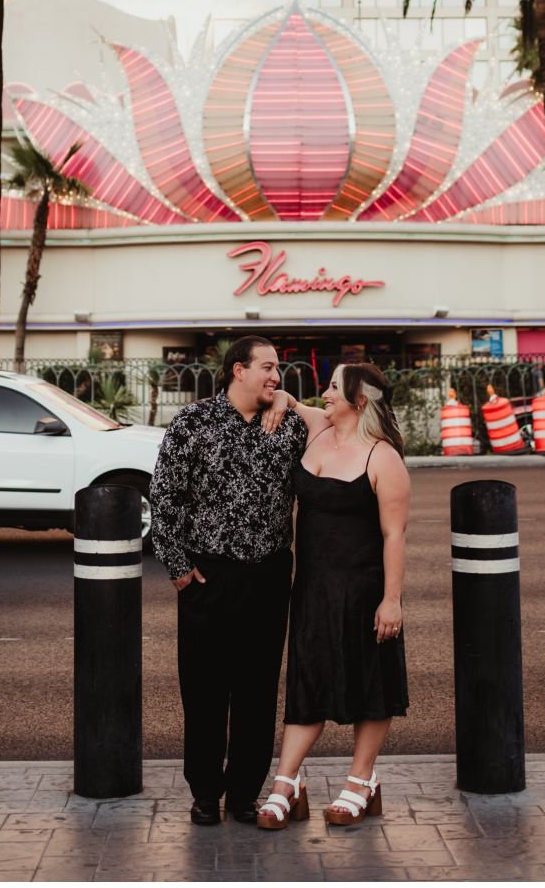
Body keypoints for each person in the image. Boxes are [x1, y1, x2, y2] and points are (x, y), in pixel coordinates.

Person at [148, 336, 307, 825]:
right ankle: (203, 793)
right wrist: (176, 567)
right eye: (267, 368)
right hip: (207, 576)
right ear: (238, 370)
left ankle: (243, 794)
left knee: (258, 690)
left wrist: (288, 400)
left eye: (277, 369)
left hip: (269, 575)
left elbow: (338, 428)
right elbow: (164, 496)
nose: (276, 376)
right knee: (204, 690)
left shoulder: (289, 426)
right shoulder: (192, 423)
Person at [255, 363, 411, 831]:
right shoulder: (319, 427)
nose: (324, 393)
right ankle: (287, 782)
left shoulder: (383, 457)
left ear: (359, 401)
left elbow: (394, 535)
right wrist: (282, 400)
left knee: (370, 683)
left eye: (334, 388)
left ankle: (361, 780)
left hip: (365, 590)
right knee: (309, 682)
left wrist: (392, 599)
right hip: (312, 587)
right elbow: (288, 401)